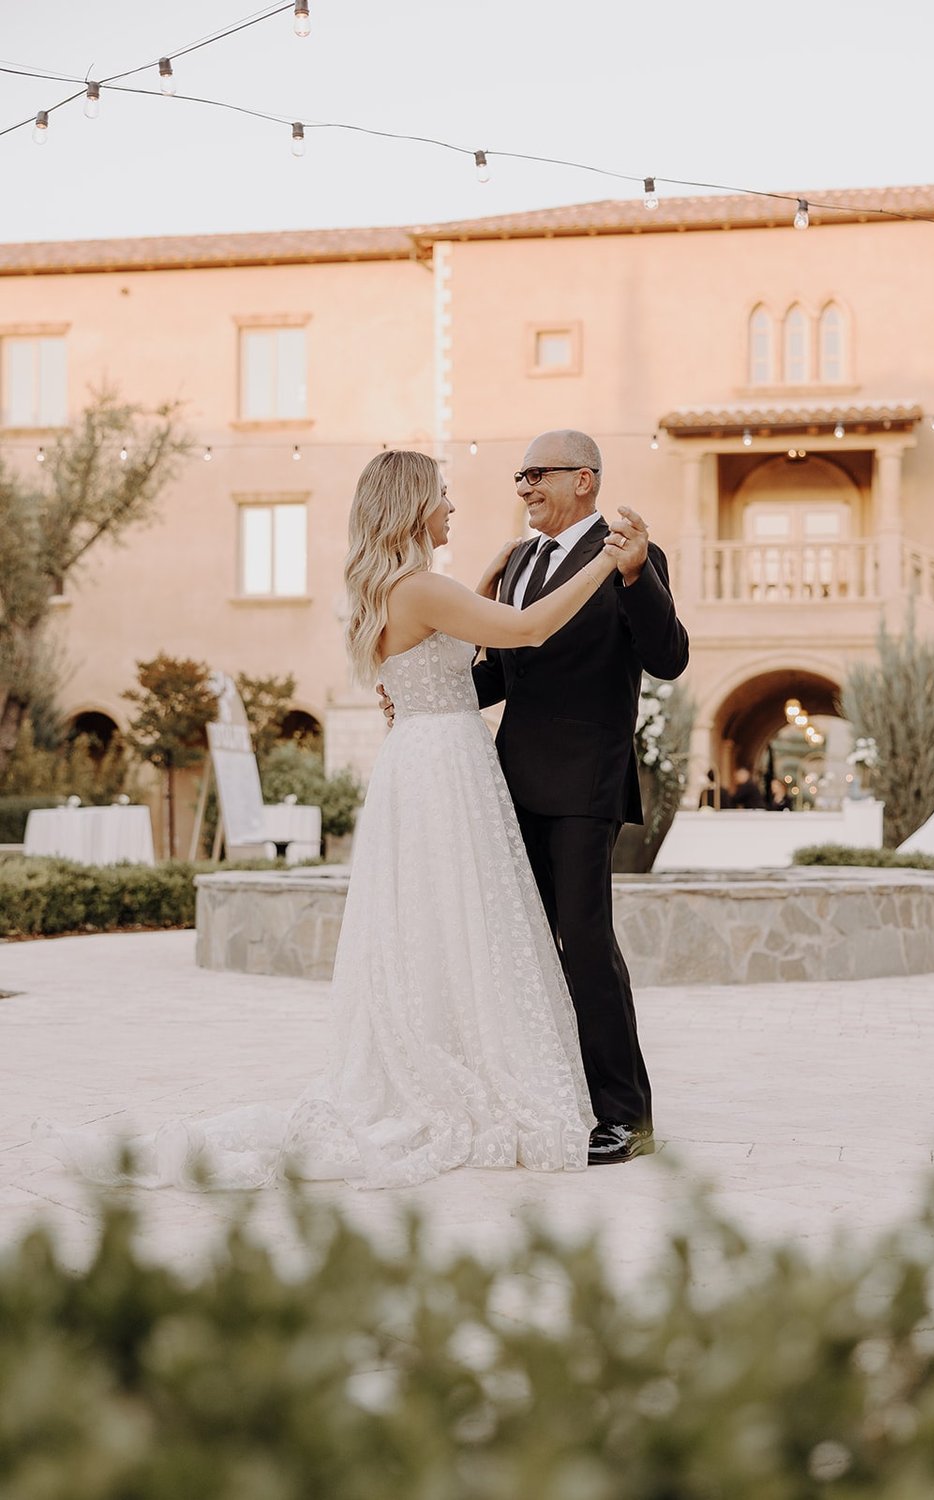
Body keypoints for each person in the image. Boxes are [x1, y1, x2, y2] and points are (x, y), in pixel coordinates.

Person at [36, 450, 629, 1192]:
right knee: (465, 919)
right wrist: (607, 559)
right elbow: (529, 628)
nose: (453, 507)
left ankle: (446, 1052)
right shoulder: (423, 589)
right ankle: (471, 1069)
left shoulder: (387, 590)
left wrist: (484, 575)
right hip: (447, 765)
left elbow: (452, 635)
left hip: (415, 761)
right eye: (443, 496)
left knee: (435, 926)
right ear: (414, 506)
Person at [382, 430, 689, 1164]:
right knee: (518, 947)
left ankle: (626, 1115)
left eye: (535, 475)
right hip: (502, 782)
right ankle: (558, 1094)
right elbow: (511, 667)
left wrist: (639, 574)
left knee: (584, 945)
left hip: (586, 781)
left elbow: (669, 659)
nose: (521, 488)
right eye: (519, 477)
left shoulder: (628, 555)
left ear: (583, 479)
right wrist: (425, 695)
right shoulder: (517, 562)